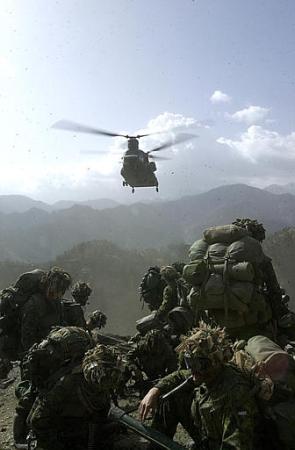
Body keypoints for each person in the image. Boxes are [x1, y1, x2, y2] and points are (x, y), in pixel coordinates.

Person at [139, 322, 262, 450]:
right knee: (171, 397)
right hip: (206, 437)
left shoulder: (235, 393)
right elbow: (180, 375)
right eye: (189, 362)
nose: (194, 371)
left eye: (199, 365)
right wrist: (154, 391)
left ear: (216, 362)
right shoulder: (204, 374)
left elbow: (237, 444)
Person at [28, 340, 124, 450]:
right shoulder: (67, 384)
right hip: (61, 429)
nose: (109, 380)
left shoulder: (100, 384)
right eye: (105, 376)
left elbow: (100, 411)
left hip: (80, 425)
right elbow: (37, 420)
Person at [20, 267, 72, 351]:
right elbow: (27, 335)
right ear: (47, 285)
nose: (56, 295)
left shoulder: (57, 303)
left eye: (60, 292)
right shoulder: (35, 303)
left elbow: (61, 323)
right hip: (35, 349)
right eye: (53, 291)